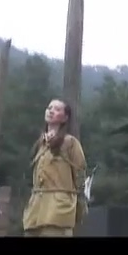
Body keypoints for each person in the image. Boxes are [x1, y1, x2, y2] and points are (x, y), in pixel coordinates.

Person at [23, 98, 88, 237]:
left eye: (57, 109)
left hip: (58, 210)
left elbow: (80, 174)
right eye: (49, 108)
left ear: (65, 118)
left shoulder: (70, 143)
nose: (51, 111)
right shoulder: (40, 144)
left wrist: (79, 204)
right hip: (35, 211)